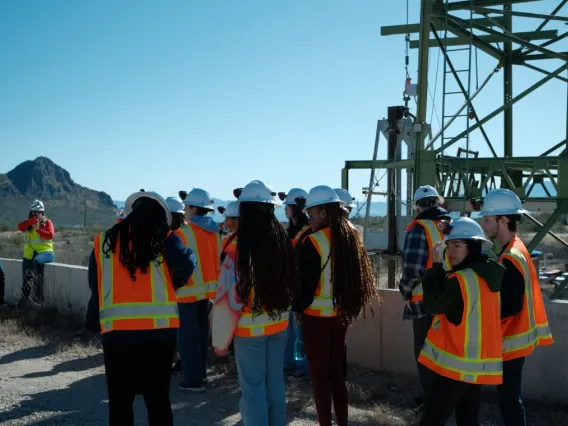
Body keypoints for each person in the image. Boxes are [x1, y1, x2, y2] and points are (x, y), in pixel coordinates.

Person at [84, 191, 196, 426]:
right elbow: (186, 264)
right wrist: (172, 284)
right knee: (158, 402)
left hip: (117, 335)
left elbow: (96, 283)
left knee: (120, 404)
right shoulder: (164, 238)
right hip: (159, 334)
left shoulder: (104, 240)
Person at [212, 180, 299, 426]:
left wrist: (219, 341)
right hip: (279, 324)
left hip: (249, 329)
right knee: (274, 384)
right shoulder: (282, 241)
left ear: (244, 209)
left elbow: (227, 298)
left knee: (253, 389)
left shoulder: (236, 245)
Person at [294, 185, 376, 426]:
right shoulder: (351, 237)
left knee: (320, 379)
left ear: (322, 211)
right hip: (340, 316)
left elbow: (305, 287)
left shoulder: (313, 242)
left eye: (311, 212)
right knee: (337, 376)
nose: (309, 216)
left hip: (316, 319)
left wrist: (297, 308)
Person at [417, 217, 504, 426]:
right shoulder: (487, 276)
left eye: (457, 245)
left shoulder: (461, 280)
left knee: (431, 420)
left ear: (472, 247)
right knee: (468, 419)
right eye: (448, 246)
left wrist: (436, 267)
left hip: (457, 366)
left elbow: (433, 304)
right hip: (477, 367)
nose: (451, 251)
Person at [479, 189, 554, 426]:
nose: (483, 224)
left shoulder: (510, 256)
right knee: (511, 400)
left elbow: (509, 305)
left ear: (503, 220)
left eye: (487, 219)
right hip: (517, 339)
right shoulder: (515, 248)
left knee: (509, 402)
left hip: (511, 340)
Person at [398, 185, 451, 406]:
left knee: (426, 355)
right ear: (438, 203)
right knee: (446, 353)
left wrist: (405, 290)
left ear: (418, 206)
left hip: (425, 305)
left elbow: (412, 269)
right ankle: (445, 399)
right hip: (451, 301)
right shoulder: (451, 226)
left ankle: (433, 404)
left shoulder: (419, 228)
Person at [177, 188, 221, 391]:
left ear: (194, 209)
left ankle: (193, 381)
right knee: (202, 336)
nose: (184, 210)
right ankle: (201, 375)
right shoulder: (214, 232)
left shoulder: (182, 233)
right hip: (207, 294)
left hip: (186, 293)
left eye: (186, 207)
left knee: (187, 339)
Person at [280, 187, 311, 380]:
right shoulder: (292, 230)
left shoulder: (305, 232)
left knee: (299, 328)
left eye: (288, 206)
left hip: (299, 285)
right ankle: (289, 362)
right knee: (290, 327)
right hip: (290, 285)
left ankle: (302, 367)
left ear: (295, 208)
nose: (285, 210)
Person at [17, 200, 56, 308]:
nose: (36, 214)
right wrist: (31, 222)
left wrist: (38, 229)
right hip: (30, 255)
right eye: (34, 212)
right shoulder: (29, 224)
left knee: (37, 262)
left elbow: (49, 236)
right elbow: (20, 227)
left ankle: (38, 296)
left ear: (42, 213)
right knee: (26, 278)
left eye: (38, 212)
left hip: (47, 253)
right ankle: (22, 303)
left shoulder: (47, 222)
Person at [165, 196, 188, 375]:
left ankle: (175, 361)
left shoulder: (173, 236)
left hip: (178, 294)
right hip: (186, 292)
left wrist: (175, 283)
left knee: (174, 333)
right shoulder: (190, 232)